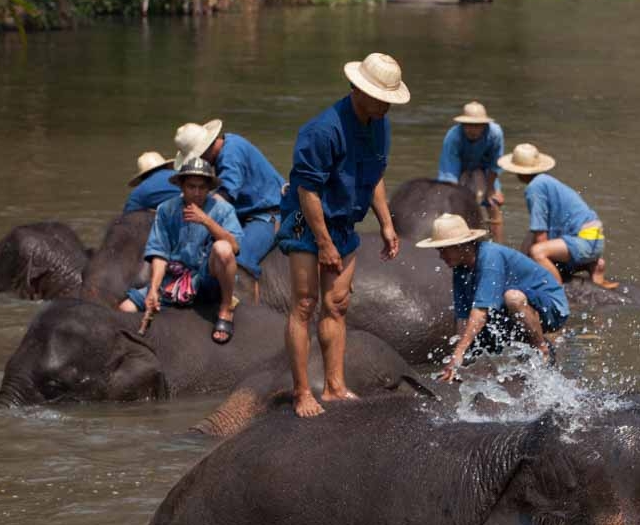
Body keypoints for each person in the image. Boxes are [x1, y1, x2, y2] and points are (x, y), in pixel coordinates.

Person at [276, 52, 408, 418]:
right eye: (380, 97)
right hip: (307, 219)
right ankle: (302, 392)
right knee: (305, 304)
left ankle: (335, 387)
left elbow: (374, 174)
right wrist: (323, 243)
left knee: (337, 305)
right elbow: (308, 191)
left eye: (389, 99)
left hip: (343, 220)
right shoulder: (323, 130)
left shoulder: (380, 124)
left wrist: (386, 222)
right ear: (357, 90)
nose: (385, 105)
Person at [416, 213, 567, 382]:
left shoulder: (490, 256)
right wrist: (457, 359)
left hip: (550, 305)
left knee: (513, 298)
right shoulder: (460, 268)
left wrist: (459, 352)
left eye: (444, 249)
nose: (441, 256)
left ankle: (542, 348)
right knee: (476, 341)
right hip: (513, 309)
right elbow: (463, 316)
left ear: (462, 246)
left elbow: (480, 313)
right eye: (439, 250)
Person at [117, 157, 243, 344]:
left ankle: (225, 308)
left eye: (202, 187)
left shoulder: (223, 210)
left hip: (207, 277)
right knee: (125, 309)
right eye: (191, 187)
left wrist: (206, 220)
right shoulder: (166, 210)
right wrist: (152, 289)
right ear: (181, 186)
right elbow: (159, 253)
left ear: (209, 188)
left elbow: (234, 246)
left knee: (222, 248)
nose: (197, 192)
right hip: (174, 278)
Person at [174, 119, 285, 284]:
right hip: (246, 213)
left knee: (240, 260)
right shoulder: (230, 144)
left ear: (205, 150)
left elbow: (226, 193)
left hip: (267, 215)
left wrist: (199, 213)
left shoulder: (230, 154)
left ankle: (246, 305)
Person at [497, 142, 616, 289]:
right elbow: (536, 231)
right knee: (530, 239)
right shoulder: (547, 181)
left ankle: (557, 291)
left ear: (518, 171)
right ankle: (593, 264)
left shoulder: (534, 187)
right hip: (595, 241)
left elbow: (541, 235)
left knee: (538, 252)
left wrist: (536, 263)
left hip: (583, 241)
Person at [437, 101, 505, 244]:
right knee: (454, 203)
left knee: (493, 203)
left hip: (485, 171)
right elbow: (449, 173)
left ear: (484, 125)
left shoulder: (495, 133)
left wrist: (491, 189)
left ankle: (498, 245)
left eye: (477, 125)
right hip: (461, 170)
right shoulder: (453, 136)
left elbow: (495, 164)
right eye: (468, 125)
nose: (472, 130)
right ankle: (457, 241)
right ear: (462, 124)